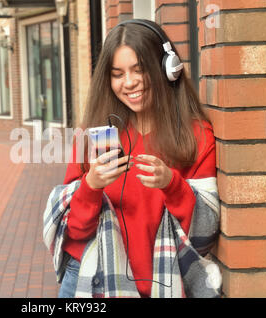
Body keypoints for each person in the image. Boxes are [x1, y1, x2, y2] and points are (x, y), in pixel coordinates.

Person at [51, 19, 218, 298]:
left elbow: (205, 233)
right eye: (117, 74)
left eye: (139, 70)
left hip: (164, 285)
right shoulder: (94, 137)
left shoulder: (195, 135)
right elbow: (75, 232)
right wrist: (91, 187)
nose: (129, 83)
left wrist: (172, 185)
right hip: (90, 284)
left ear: (168, 69)